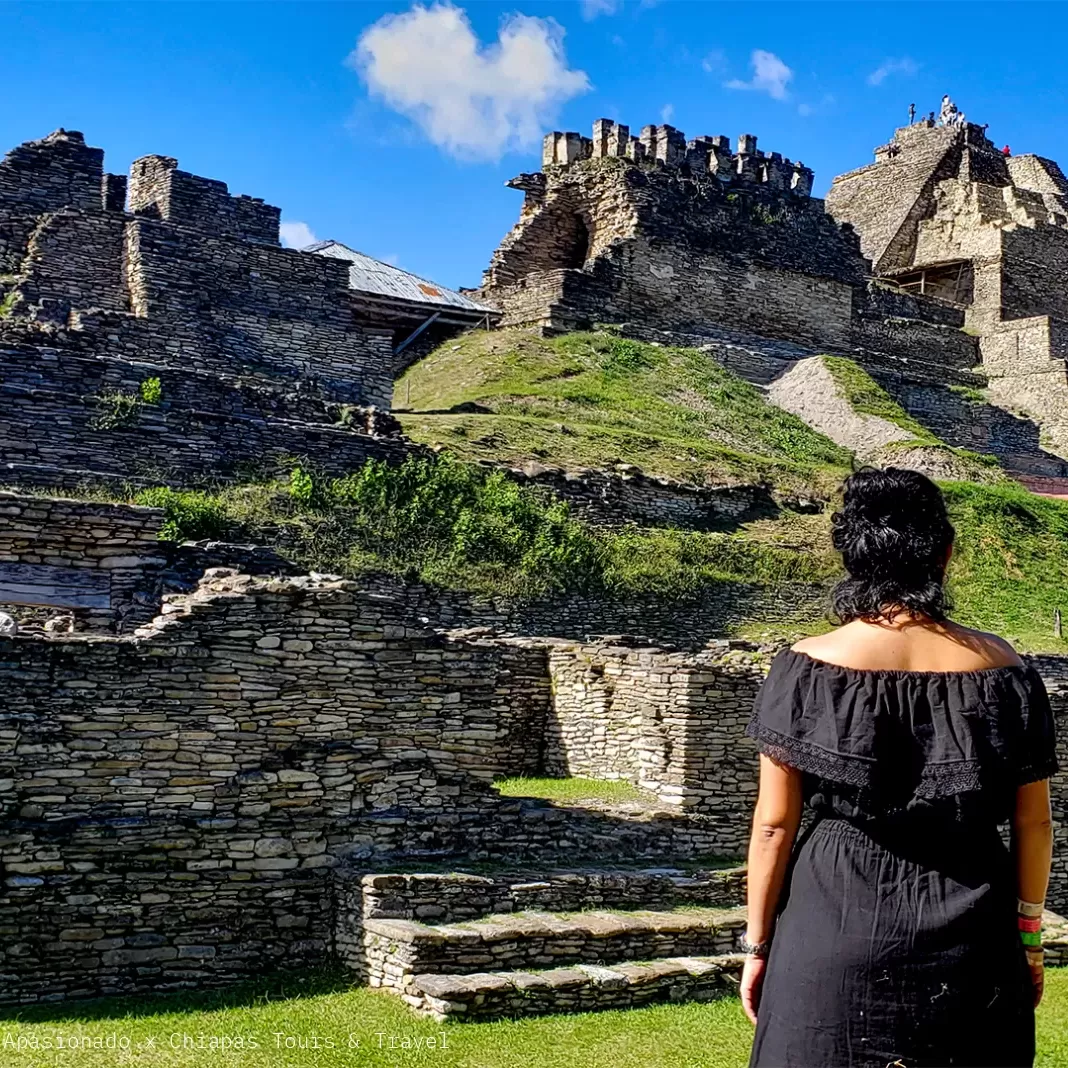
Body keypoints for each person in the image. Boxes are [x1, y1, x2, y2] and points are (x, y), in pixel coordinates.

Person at [742, 467, 1058, 1068]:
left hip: (832, 919)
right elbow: (1034, 823)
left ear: (851, 553)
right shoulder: (1005, 669)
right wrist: (1030, 936)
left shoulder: (804, 667)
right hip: (972, 929)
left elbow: (774, 827)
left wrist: (758, 943)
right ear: (944, 551)